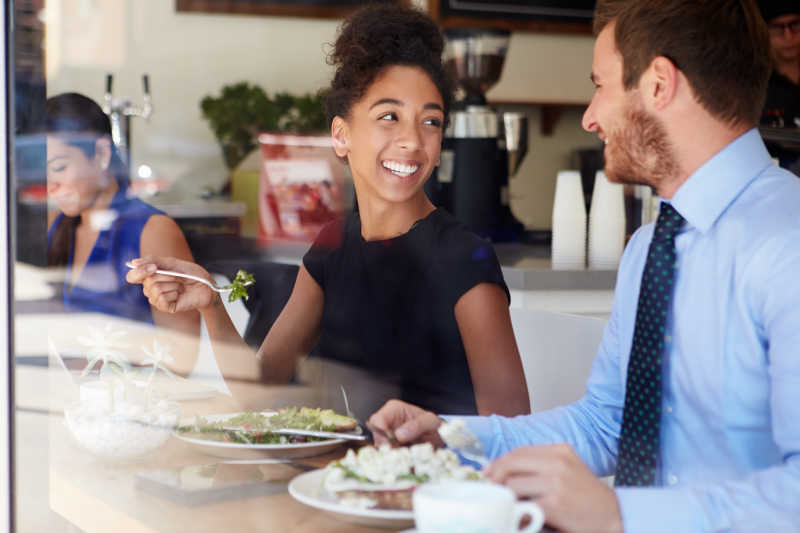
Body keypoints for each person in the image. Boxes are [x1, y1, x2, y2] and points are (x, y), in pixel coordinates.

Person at [368, 0, 800, 531]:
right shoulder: (649, 247)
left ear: (659, 84)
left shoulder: (787, 243)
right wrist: (451, 437)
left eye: (601, 85)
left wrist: (620, 514)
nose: (590, 116)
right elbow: (607, 423)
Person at [127, 5, 530, 416]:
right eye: (389, 116)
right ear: (341, 135)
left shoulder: (464, 258)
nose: (412, 140)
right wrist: (211, 303)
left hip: (434, 477)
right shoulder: (332, 249)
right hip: (339, 476)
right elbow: (258, 389)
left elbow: (512, 431)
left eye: (430, 121)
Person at [44, 93, 200, 370]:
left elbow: (181, 361)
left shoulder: (153, 230)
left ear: (102, 154)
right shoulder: (58, 226)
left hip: (132, 404)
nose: (50, 186)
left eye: (59, 167)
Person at [758, 0, 800, 129]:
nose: (788, 36)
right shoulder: (754, 84)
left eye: (795, 25)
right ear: (765, 31)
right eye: (778, 28)